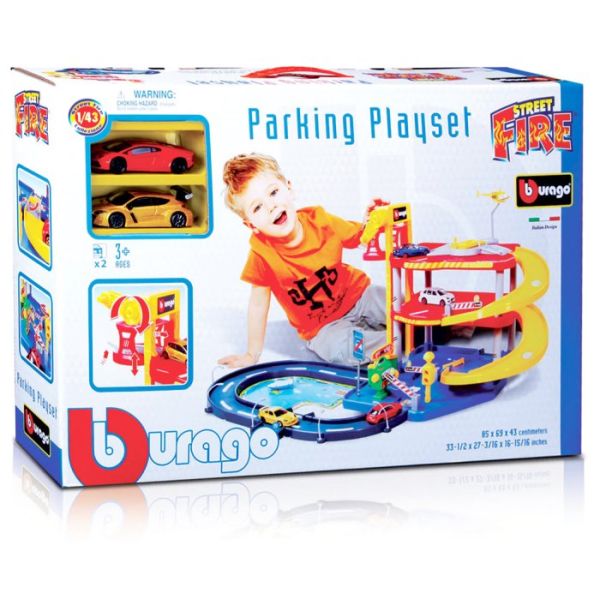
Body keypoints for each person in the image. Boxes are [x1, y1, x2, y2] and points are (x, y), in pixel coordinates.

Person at [218, 153, 387, 368]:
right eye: (257, 207)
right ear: (251, 225)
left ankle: (416, 324)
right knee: (342, 348)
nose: (271, 206)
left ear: (289, 188)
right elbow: (258, 305)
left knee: (395, 301)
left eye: (273, 192)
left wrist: (371, 221)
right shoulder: (262, 255)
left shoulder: (321, 220)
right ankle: (396, 343)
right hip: (324, 329)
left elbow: (359, 238)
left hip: (359, 295)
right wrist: (252, 354)